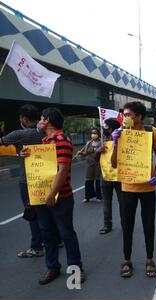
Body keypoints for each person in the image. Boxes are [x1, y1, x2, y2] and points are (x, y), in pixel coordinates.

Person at [21, 107, 85, 285]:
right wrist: (25, 155)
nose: (39, 122)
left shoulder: (62, 140)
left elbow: (63, 170)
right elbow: (41, 166)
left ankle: (75, 267)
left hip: (60, 197)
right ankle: (52, 267)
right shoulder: (45, 141)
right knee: (47, 233)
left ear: (47, 120)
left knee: (66, 233)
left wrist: (52, 194)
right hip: (42, 197)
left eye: (41, 119)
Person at [111, 102, 156, 278]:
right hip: (127, 186)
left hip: (148, 187)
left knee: (149, 225)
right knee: (127, 225)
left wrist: (154, 175)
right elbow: (113, 163)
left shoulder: (151, 132)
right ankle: (126, 260)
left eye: (128, 114)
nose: (125, 118)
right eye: (124, 115)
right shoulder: (121, 133)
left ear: (139, 116)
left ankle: (150, 259)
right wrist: (115, 142)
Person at [0, 104, 46, 258]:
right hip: (47, 179)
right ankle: (55, 240)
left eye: (20, 117)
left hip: (28, 181)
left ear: (25, 119)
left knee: (32, 214)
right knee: (47, 211)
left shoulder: (19, 134)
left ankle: (36, 247)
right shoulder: (47, 133)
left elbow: (1, 142)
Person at [96, 118, 122, 235]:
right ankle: (107, 224)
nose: (103, 129)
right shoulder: (102, 141)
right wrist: (98, 151)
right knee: (106, 203)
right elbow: (96, 159)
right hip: (105, 176)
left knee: (123, 202)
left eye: (105, 126)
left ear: (111, 128)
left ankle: (125, 223)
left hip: (119, 177)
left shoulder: (122, 140)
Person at [77, 127, 102, 203]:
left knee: (98, 180)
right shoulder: (88, 143)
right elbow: (85, 153)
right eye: (92, 133)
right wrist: (80, 153)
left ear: (98, 134)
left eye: (95, 133)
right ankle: (87, 197)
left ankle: (99, 197)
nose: (93, 134)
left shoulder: (101, 143)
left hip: (98, 164)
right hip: (89, 164)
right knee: (88, 181)